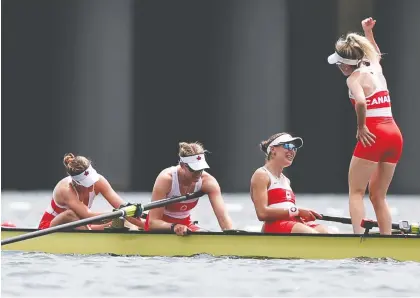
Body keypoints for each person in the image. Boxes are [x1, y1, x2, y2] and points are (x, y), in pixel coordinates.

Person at [327, 17, 403, 235]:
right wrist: (368, 32)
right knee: (379, 195)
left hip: (375, 133)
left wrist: (361, 127)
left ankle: (359, 238)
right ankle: (387, 239)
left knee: (356, 192)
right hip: (394, 134)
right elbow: (375, 52)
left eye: (339, 63)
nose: (339, 67)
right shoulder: (374, 66)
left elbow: (361, 102)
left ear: (345, 64)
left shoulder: (353, 79)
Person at [145, 141, 233, 236]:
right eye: (193, 169)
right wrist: (174, 226)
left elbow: (224, 219)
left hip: (185, 225)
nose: (198, 174)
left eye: (201, 169)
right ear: (182, 165)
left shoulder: (208, 182)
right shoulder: (166, 179)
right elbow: (152, 223)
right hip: (160, 227)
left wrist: (233, 238)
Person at [38, 153, 145, 230]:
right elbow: (87, 216)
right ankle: (91, 241)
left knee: (123, 219)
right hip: (48, 228)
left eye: (92, 182)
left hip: (81, 226)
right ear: (76, 182)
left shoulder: (99, 180)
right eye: (86, 184)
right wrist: (120, 213)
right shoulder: (65, 190)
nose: (91, 187)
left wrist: (145, 223)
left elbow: (122, 207)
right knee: (70, 214)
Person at [250, 132, 329, 234]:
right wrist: (298, 211)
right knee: (313, 235)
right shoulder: (261, 175)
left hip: (292, 223)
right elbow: (262, 213)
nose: (292, 151)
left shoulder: (286, 180)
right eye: (288, 146)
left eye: (294, 148)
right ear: (273, 149)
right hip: (274, 226)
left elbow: (288, 210)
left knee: (325, 232)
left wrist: (301, 214)